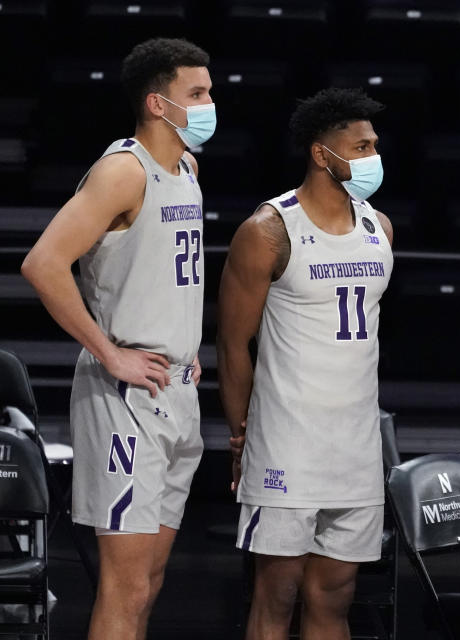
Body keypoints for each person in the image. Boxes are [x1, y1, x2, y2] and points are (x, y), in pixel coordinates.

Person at [20, 37, 213, 639]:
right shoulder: (121, 171)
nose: (211, 103)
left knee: (150, 582)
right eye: (198, 93)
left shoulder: (186, 165)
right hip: (124, 399)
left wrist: (183, 349)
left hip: (175, 390)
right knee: (124, 586)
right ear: (158, 103)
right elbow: (42, 263)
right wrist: (110, 353)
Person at [217, 88, 393, 640]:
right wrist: (242, 433)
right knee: (277, 594)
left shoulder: (380, 228)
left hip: (356, 446)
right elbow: (231, 345)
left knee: (334, 598)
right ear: (323, 154)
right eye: (360, 147)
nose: (372, 157)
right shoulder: (267, 230)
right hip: (287, 442)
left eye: (374, 146)